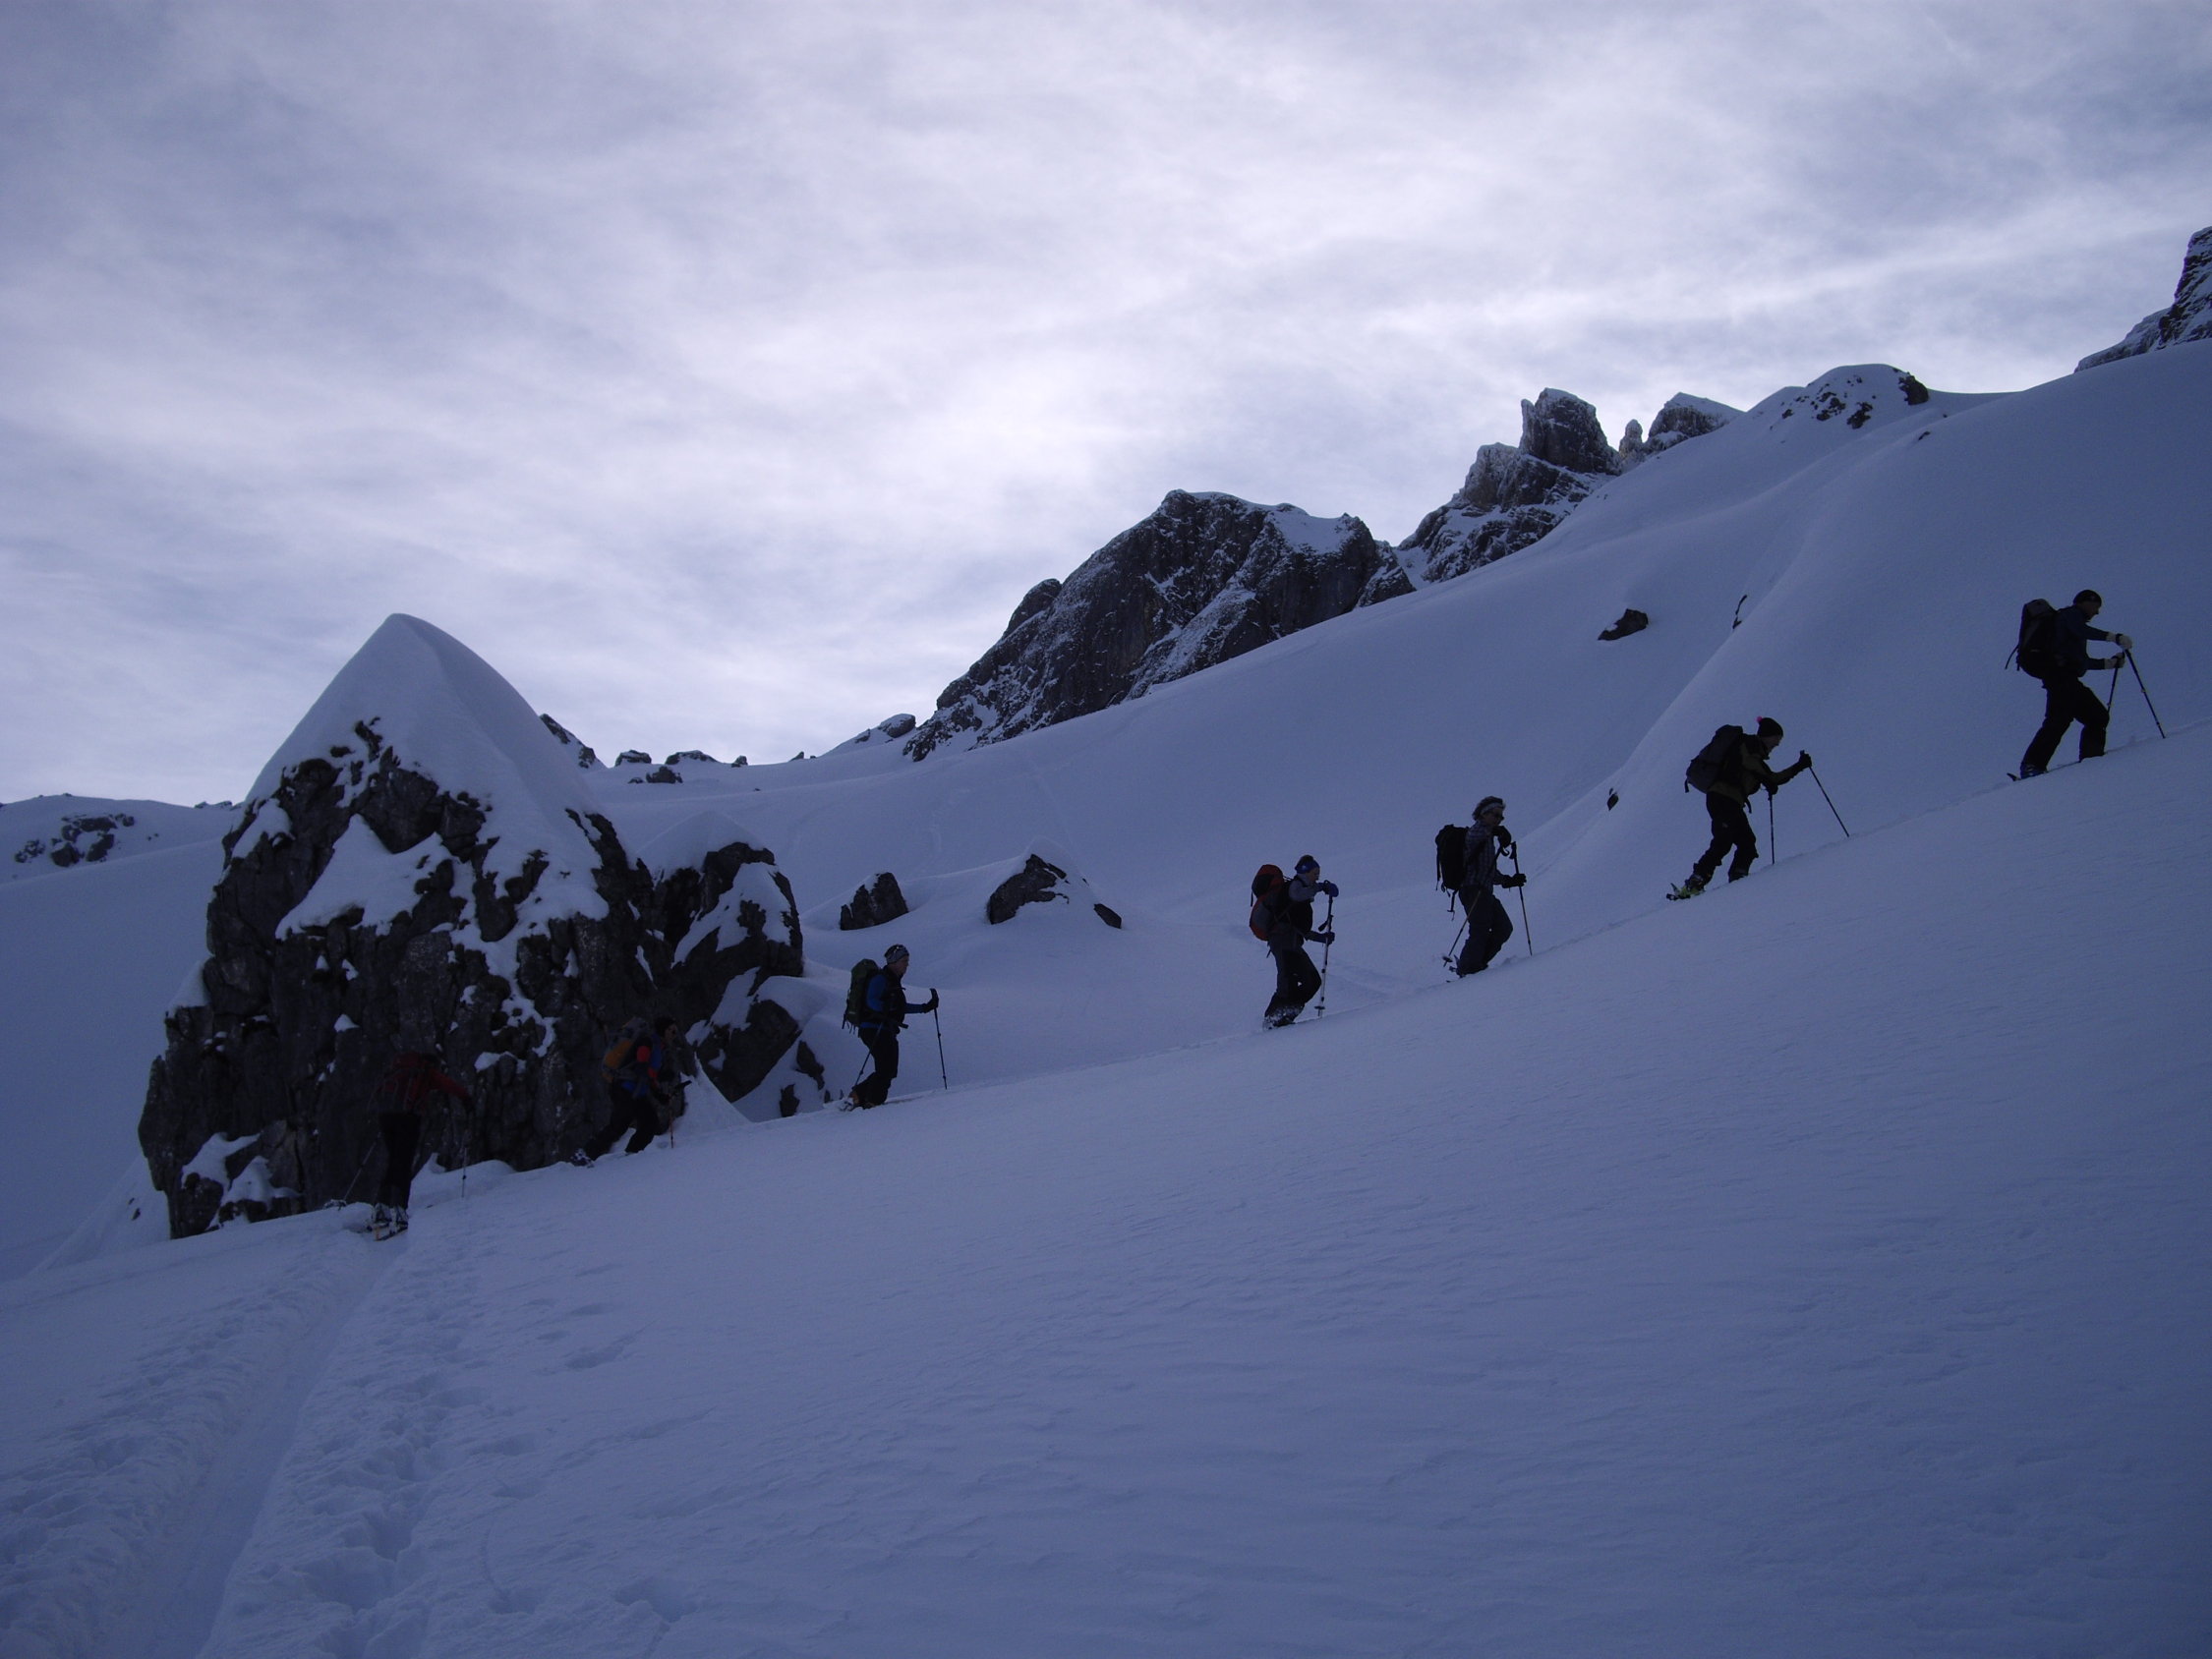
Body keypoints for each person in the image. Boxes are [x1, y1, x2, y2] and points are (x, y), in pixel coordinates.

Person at [1677, 717, 1810, 896]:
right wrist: (1796, 767)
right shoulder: (1749, 747)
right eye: (1776, 739)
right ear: (1767, 736)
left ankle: (1735, 882)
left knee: (1746, 843)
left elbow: (1767, 776)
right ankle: (1697, 883)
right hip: (1724, 799)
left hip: (1725, 800)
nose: (1777, 744)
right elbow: (1767, 774)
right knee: (1725, 841)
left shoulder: (1752, 751)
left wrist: (1776, 776)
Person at [2019, 590, 2132, 777]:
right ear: (2085, 602)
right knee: (2060, 719)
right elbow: (2081, 632)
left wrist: (2109, 663)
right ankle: (2032, 765)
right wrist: (2114, 637)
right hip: (2060, 677)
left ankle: (2091, 758)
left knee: (2096, 716)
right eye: (2096, 607)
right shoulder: (2071, 615)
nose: (2097, 612)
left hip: (2065, 677)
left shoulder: (2068, 625)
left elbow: (2081, 661)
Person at [373, 1050, 470, 1238]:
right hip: (408, 1118)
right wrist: (466, 1099)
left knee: (393, 1160)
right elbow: (449, 1085)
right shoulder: (426, 1072)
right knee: (403, 1162)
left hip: (386, 1116)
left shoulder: (399, 1070)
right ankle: (399, 1210)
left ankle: (381, 1208)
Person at [582, 1014, 681, 1161]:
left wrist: (660, 1095)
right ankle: (585, 1155)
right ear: (663, 1030)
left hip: (636, 1092)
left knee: (649, 1123)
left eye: (675, 1031)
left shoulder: (659, 1048)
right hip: (624, 1089)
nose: (674, 1034)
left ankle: (632, 1156)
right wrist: (660, 1078)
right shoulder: (647, 1042)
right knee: (619, 1126)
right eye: (672, 1030)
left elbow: (648, 1075)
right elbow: (642, 1068)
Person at [851, 944, 938, 1108]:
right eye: (904, 961)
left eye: (907, 961)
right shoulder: (880, 979)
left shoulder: (891, 981)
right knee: (886, 1068)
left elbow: (899, 1007)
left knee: (889, 1068)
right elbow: (871, 1000)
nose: (907, 965)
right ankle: (872, 1101)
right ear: (894, 962)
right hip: (874, 1028)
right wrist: (887, 1007)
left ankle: (860, 1095)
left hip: (882, 1029)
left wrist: (924, 1007)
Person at [1257, 855, 1337, 1028]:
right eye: (1315, 873)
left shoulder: (1302, 895)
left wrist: (1321, 938)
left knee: (1312, 981)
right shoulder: (1294, 887)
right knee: (1287, 984)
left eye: (1318, 873)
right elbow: (1297, 895)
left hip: (1292, 942)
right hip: (1282, 941)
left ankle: (1285, 1015)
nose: (1317, 876)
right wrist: (1321, 887)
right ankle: (1272, 1021)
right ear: (1305, 872)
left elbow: (1299, 927)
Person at [1454, 797, 1526, 976]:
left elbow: (1488, 870)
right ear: (1483, 814)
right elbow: (1475, 837)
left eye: (1501, 817)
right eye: (1495, 815)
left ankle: (1476, 965)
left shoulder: (1488, 836)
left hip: (1484, 890)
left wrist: (1508, 880)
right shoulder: (1477, 832)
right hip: (1472, 889)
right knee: (1480, 930)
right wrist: (1496, 832)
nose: (1498, 820)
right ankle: (1468, 970)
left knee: (1504, 928)